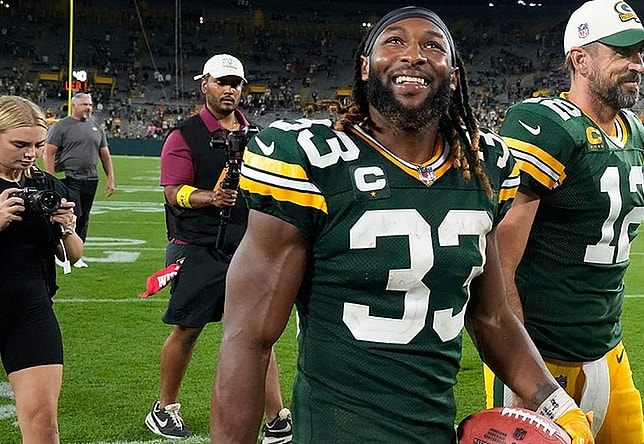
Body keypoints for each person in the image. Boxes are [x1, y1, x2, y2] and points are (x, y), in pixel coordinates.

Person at [211, 7, 593, 443]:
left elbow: (491, 317)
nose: (413, 54)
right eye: (394, 41)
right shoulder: (310, 160)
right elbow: (247, 339)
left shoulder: (483, 166)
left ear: (452, 74)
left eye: (433, 45)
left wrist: (557, 405)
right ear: (364, 66)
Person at [487, 1, 644, 443]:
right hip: (544, 358)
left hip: (608, 351)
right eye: (623, 52)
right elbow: (498, 262)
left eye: (641, 52)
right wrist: (523, 376)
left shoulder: (633, 131)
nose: (638, 65)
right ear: (580, 59)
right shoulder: (546, 125)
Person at [147, 54, 292, 442]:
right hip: (196, 245)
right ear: (205, 84)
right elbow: (172, 191)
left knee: (258, 332)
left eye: (236, 83)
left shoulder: (256, 135)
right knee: (188, 329)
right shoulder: (184, 135)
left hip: (246, 244)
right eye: (222, 82)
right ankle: (163, 408)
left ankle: (277, 415)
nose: (230, 90)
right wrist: (209, 198)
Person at [0, 95, 83, 443]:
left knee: (43, 425)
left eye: (37, 144)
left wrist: (65, 226)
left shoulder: (46, 187)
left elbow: (75, 255)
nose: (31, 153)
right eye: (19, 144)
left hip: (29, 310)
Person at [43, 92, 115, 267]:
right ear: (74, 105)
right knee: (73, 214)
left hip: (91, 178)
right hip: (70, 177)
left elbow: (105, 156)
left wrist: (111, 178)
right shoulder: (62, 126)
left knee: (84, 217)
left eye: (90, 104)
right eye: (84, 104)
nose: (88, 107)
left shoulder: (97, 127)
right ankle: (62, 251)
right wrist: (51, 179)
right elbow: (49, 152)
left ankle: (77, 252)